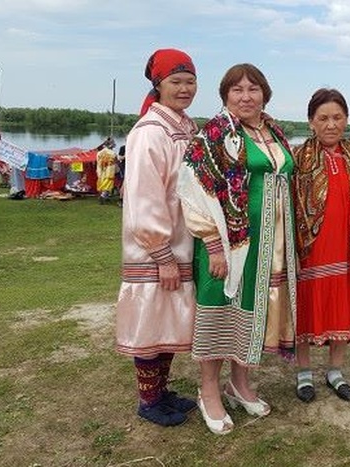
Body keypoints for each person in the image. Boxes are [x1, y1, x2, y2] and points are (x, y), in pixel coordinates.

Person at [179, 63, 296, 434]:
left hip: (268, 247)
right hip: (230, 245)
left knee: (251, 311)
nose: (246, 97)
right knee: (220, 310)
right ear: (225, 95)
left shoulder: (272, 130)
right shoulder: (214, 134)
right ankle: (209, 390)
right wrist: (212, 244)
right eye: (237, 90)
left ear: (265, 93)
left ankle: (239, 383)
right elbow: (192, 189)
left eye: (253, 89)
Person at [114, 48, 200, 427]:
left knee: (169, 322)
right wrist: (161, 254)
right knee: (152, 322)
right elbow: (144, 197)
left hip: (184, 240)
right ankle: (148, 400)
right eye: (176, 82)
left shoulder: (185, 126)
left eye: (190, 81)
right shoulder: (150, 132)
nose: (184, 89)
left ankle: (161, 392)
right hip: (158, 247)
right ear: (158, 84)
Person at [292, 89, 350, 403]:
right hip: (308, 251)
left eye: (337, 117)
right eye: (323, 118)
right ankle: (303, 373)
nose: (330, 124)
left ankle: (336, 371)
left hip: (347, 249)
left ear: (347, 119)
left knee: (343, 305)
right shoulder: (296, 159)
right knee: (305, 309)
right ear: (311, 121)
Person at [96, 138, 117, 204]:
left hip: (101, 170)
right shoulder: (113, 153)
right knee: (108, 184)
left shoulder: (99, 153)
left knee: (102, 183)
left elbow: (97, 160)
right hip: (109, 171)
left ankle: (104, 196)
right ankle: (103, 197)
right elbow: (115, 160)